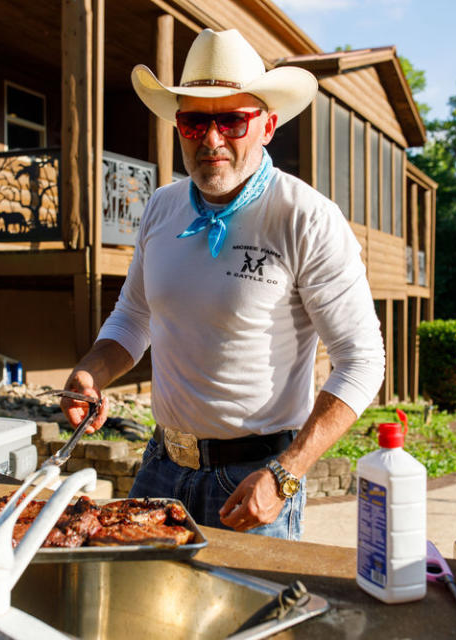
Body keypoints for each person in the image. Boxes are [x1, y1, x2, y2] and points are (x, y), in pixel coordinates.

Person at [61, 28, 385, 540]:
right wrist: (91, 371)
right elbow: (134, 317)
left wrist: (287, 474)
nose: (212, 140)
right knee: (145, 618)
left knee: (247, 618)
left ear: (268, 125)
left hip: (255, 478)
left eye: (232, 120)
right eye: (194, 122)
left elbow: (363, 360)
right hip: (161, 465)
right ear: (179, 126)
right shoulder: (161, 208)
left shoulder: (306, 218)